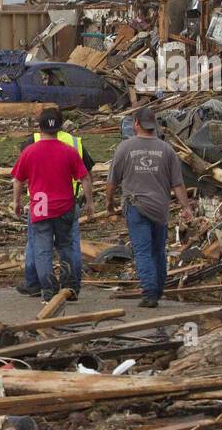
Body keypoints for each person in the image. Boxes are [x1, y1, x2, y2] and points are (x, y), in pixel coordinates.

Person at [105, 106, 196, 308]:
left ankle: (149, 293)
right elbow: (178, 184)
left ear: (136, 124)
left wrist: (109, 205)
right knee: (158, 250)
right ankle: (158, 288)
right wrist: (186, 208)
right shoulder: (167, 150)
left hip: (136, 207)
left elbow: (112, 182)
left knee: (142, 250)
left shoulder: (125, 148)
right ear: (153, 125)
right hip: (160, 208)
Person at [11, 109, 94, 302]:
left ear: (39, 127)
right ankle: (70, 287)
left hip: (40, 205)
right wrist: (89, 202)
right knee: (67, 247)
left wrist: (16, 202)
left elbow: (18, 180)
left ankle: (48, 290)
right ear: (60, 127)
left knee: (41, 249)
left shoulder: (30, 151)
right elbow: (85, 178)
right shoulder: (69, 151)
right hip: (65, 204)